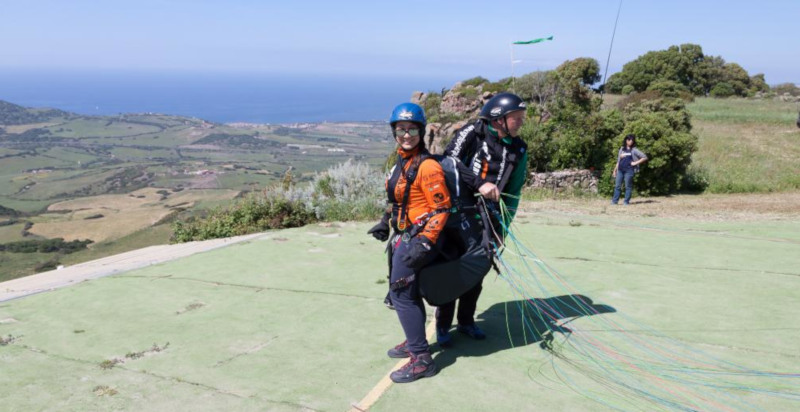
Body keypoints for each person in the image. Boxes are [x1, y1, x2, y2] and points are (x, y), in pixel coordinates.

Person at [436, 92, 529, 346]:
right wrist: (480, 183)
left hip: (489, 219)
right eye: (516, 118)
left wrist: (503, 229)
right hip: (457, 216)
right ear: (499, 119)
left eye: (522, 118)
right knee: (451, 269)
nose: (521, 122)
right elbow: (447, 162)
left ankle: (466, 321)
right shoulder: (472, 133)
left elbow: (515, 190)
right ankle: (443, 325)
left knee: (477, 271)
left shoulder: (519, 149)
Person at [367, 102, 451, 383]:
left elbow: (442, 209)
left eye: (412, 129)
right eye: (401, 129)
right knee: (408, 292)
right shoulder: (400, 162)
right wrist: (384, 221)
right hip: (404, 236)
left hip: (418, 239)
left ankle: (422, 359)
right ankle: (414, 340)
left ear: (421, 131)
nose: (406, 134)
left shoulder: (427, 167)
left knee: (402, 294)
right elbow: (397, 200)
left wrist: (424, 243)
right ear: (394, 132)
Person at [611, 134, 647, 205]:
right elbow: (618, 161)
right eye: (629, 140)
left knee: (628, 187)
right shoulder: (622, 149)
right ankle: (614, 202)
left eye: (632, 140)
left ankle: (626, 202)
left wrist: (635, 163)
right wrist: (615, 170)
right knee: (617, 186)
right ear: (626, 140)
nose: (630, 141)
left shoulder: (634, 150)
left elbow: (644, 157)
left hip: (629, 171)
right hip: (620, 170)